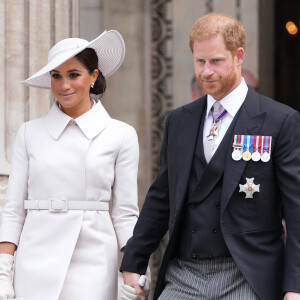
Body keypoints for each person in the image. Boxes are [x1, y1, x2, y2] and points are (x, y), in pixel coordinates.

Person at [120, 13, 300, 300]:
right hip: (184, 275)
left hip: (247, 275)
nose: (206, 72)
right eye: (199, 61)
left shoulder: (279, 120)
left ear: (238, 56)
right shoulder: (179, 120)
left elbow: (296, 209)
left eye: (216, 61)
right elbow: (161, 197)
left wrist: (295, 287)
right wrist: (133, 262)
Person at [0, 30, 140, 300]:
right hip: (35, 260)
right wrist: (3, 271)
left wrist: (133, 271)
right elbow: (13, 210)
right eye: (56, 76)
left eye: (73, 74)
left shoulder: (121, 134)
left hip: (95, 262)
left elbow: (125, 214)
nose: (64, 85)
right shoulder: (29, 133)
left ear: (94, 76)